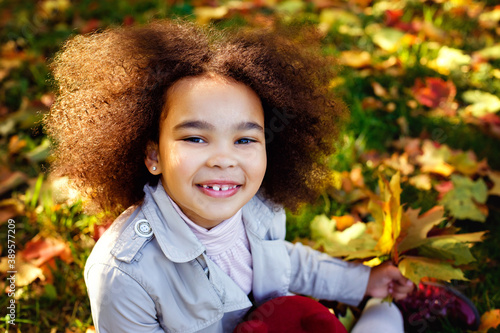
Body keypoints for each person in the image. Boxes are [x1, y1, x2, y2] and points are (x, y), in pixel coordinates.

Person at [44, 20, 414, 332]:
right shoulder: (124, 274)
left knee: (386, 316)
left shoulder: (259, 207)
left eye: (244, 139)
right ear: (153, 154)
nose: (224, 159)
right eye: (195, 137)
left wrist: (363, 281)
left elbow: (286, 262)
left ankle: (387, 305)